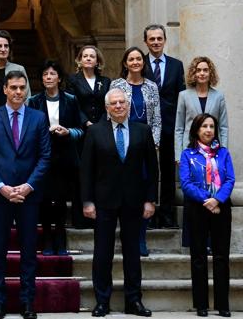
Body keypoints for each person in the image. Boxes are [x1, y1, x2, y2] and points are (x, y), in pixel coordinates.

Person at [0, 70, 51, 319]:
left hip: (29, 195)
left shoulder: (39, 118)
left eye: (22, 87)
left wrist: (28, 186)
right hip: (0, 195)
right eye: (14, 87)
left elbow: (44, 156)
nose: (19, 92)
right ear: (5, 90)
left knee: (29, 251)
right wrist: (2, 187)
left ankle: (27, 302)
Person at [81, 88, 158, 318]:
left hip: (134, 201)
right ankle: (102, 301)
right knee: (102, 253)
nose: (118, 106)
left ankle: (133, 301)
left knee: (132, 252)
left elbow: (153, 171)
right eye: (113, 103)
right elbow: (86, 170)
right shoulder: (95, 131)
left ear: (127, 104)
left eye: (122, 102)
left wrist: (150, 200)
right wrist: (87, 201)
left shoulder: (142, 131)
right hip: (103, 201)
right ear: (107, 107)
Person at [179, 113, 234, 318]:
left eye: (211, 126)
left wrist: (217, 199)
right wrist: (207, 200)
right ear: (197, 130)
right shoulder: (187, 155)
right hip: (197, 208)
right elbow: (185, 183)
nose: (208, 130)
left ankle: (223, 304)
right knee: (199, 257)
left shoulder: (224, 153)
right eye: (204, 126)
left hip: (221, 208)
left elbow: (229, 179)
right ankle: (201, 304)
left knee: (221, 257)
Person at [27, 60, 83, 255]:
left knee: (60, 201)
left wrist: (67, 132)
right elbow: (29, 130)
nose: (49, 77)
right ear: (42, 79)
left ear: (59, 78)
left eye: (52, 74)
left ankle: (60, 238)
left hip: (64, 155)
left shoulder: (71, 99)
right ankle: (47, 239)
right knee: (44, 200)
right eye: (45, 74)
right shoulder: (34, 101)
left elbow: (80, 128)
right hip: (42, 156)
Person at [110, 46, 161, 256]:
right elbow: (111, 112)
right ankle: (124, 237)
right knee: (123, 192)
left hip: (144, 145)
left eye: (139, 59)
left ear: (143, 62)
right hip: (123, 144)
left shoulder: (152, 86)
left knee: (143, 192)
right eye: (131, 59)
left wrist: (154, 144)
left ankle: (140, 238)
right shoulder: (117, 85)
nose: (135, 62)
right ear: (125, 63)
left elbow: (157, 118)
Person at [175, 56, 229, 250]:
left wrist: (223, 152)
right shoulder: (184, 95)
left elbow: (223, 126)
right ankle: (195, 241)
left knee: (213, 190)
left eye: (205, 70)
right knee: (194, 193)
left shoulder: (219, 96)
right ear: (193, 73)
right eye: (198, 70)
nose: (202, 73)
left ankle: (211, 241)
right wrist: (178, 154)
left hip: (214, 153)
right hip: (191, 152)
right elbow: (179, 127)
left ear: (210, 73)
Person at [143, 24, 185, 229]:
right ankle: (148, 213)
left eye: (159, 38)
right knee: (149, 170)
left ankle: (167, 214)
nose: (156, 42)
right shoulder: (137, 62)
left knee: (168, 172)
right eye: (152, 39)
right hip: (146, 127)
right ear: (146, 42)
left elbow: (181, 96)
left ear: (165, 40)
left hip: (170, 125)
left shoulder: (177, 65)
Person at [65, 45, 111, 127]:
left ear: (97, 61)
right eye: (85, 56)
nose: (88, 58)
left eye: (92, 56)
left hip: (102, 126)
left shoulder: (105, 81)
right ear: (80, 60)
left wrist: (102, 122)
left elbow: (108, 105)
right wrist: (85, 122)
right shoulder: (72, 80)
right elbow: (71, 104)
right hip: (80, 127)